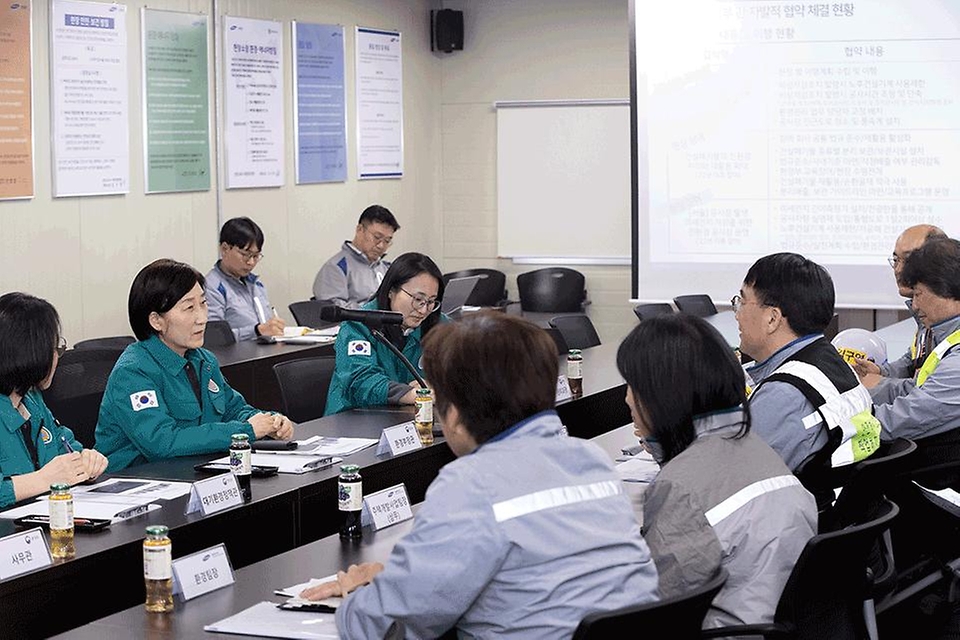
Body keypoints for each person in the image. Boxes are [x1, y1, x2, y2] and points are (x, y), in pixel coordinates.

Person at [301, 313, 659, 638]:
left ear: (452, 415)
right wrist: (398, 579)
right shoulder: (591, 459)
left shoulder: (470, 484)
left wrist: (357, 597)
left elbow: (382, 623)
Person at [617, 313, 816, 628]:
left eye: (632, 384)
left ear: (660, 394)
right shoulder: (754, 445)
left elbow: (659, 606)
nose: (627, 396)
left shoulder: (680, 487)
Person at [95, 259, 294, 472]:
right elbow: (162, 442)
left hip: (195, 472)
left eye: (203, 303)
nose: (202, 318)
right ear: (156, 321)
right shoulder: (133, 372)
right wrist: (246, 430)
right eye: (189, 308)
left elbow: (233, 409)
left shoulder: (203, 360)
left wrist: (269, 421)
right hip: (138, 483)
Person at [736, 253, 881, 472]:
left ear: (772, 318)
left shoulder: (781, 395)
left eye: (742, 302)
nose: (736, 314)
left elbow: (736, 479)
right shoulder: (833, 361)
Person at [0, 293, 108, 509]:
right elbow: (48, 477)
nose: (58, 358)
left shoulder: (33, 402)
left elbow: (66, 448)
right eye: (55, 349)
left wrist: (86, 462)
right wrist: (43, 479)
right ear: (31, 353)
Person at [325, 252, 446, 415]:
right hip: (354, 421)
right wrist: (411, 394)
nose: (424, 310)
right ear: (391, 290)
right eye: (418, 299)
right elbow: (361, 382)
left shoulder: (436, 323)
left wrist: (436, 385)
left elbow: (464, 367)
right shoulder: (358, 325)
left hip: (407, 418)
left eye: (431, 301)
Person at [872, 238, 960, 455]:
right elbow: (920, 387)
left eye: (918, 294)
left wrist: (837, 421)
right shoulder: (943, 333)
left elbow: (904, 419)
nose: (915, 305)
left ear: (948, 290)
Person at [852, 224, 947, 384]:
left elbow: (930, 390)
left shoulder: (946, 317)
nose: (898, 269)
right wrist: (881, 372)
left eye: (909, 260)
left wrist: (873, 385)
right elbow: (913, 362)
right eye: (896, 260)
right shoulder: (924, 312)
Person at [205, 217, 285, 341]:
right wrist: (257, 331)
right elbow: (214, 337)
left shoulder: (256, 284)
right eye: (245, 255)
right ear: (225, 249)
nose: (251, 262)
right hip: (235, 358)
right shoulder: (212, 287)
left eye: (256, 256)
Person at [313, 205, 400, 308]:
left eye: (387, 241)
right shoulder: (336, 267)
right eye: (377, 237)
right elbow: (332, 311)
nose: (381, 246)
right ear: (360, 230)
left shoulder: (386, 268)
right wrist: (369, 312)